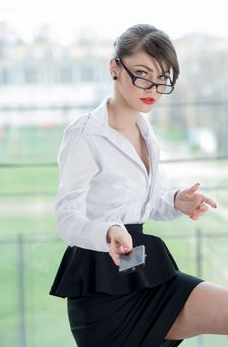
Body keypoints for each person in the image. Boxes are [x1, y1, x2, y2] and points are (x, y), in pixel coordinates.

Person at [49, 24, 228, 347]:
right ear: (114, 67)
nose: (154, 88)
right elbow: (66, 217)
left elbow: (140, 204)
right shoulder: (85, 135)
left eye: (163, 79)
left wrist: (175, 201)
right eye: (143, 74)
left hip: (144, 273)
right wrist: (108, 232)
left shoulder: (145, 131)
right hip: (103, 290)